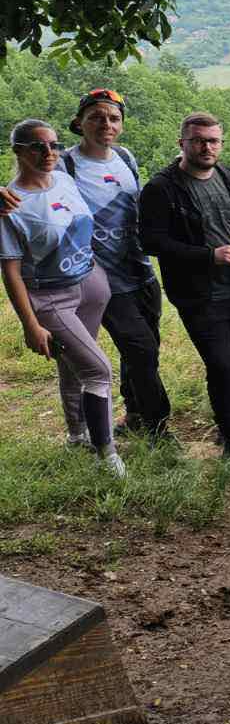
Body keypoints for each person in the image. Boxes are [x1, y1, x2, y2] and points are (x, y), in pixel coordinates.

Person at [1, 120, 127, 476]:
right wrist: (30, 324)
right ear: (18, 152)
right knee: (99, 370)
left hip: (90, 284)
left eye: (54, 145)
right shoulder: (10, 205)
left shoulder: (65, 180)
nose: (48, 153)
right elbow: (10, 271)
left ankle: (76, 434)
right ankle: (107, 453)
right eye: (37, 147)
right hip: (50, 298)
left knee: (75, 367)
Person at [138, 111, 230, 458]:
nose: (207, 147)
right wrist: (209, 256)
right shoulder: (161, 188)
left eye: (213, 141)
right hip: (198, 293)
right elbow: (151, 242)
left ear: (221, 144)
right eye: (198, 141)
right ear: (182, 144)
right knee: (221, 362)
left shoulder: (229, 176)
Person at [63, 89, 171, 438]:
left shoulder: (125, 157)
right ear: (80, 123)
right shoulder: (65, 164)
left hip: (140, 270)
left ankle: (136, 413)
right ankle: (157, 427)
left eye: (113, 118)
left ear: (121, 124)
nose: (105, 124)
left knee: (143, 348)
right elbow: (31, 188)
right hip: (99, 277)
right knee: (140, 348)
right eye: (96, 117)